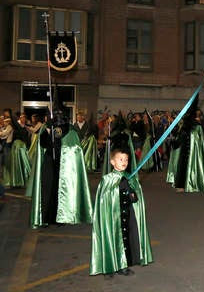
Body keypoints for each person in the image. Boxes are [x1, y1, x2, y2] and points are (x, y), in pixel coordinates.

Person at [28, 102, 93, 229]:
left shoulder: (70, 129)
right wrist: (48, 130)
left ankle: (61, 217)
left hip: (64, 166)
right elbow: (42, 144)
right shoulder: (47, 127)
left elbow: (75, 147)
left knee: (61, 191)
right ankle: (46, 217)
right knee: (47, 189)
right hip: (49, 163)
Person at [90, 148, 153, 277]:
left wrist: (131, 193)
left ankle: (123, 266)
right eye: (120, 159)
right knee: (112, 238)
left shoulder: (130, 177)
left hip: (127, 215)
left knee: (126, 240)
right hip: (113, 218)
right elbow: (105, 199)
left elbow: (135, 197)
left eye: (126, 159)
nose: (124, 162)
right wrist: (119, 186)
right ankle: (109, 266)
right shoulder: (107, 179)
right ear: (112, 162)